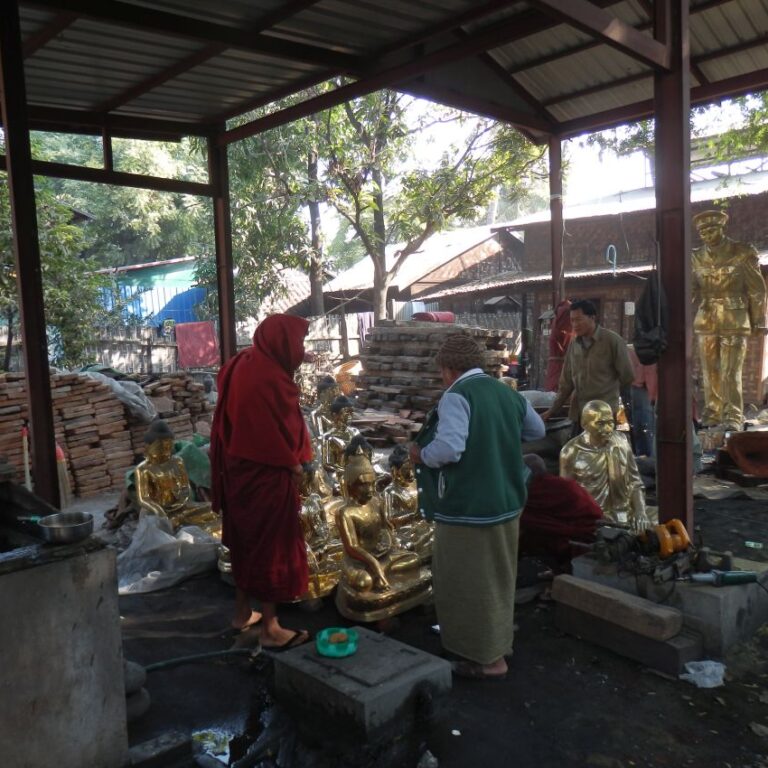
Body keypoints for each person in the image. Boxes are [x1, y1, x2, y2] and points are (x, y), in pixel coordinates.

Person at [410, 333, 530, 680]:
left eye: (441, 371)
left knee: (467, 581)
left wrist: (422, 454)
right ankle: (498, 643)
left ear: (449, 369)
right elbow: (535, 428)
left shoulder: (456, 395)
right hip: (507, 501)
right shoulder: (505, 391)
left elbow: (449, 448)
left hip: (469, 507)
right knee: (498, 576)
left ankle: (487, 659)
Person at [210, 314, 312, 650]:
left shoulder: (241, 363)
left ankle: (242, 613)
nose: (300, 349)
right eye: (298, 342)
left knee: (244, 541)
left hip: (235, 471)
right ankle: (270, 627)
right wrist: (294, 466)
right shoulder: (270, 378)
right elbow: (272, 434)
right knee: (272, 546)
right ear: (282, 341)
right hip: (265, 472)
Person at [692, 209, 767, 431]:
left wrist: (759, 320)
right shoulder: (695, 257)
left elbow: (757, 289)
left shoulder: (742, 252)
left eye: (711, 230)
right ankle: (712, 414)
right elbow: (691, 289)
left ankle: (732, 415)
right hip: (706, 318)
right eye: (703, 232)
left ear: (722, 228)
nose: (707, 235)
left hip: (734, 317)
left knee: (730, 371)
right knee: (709, 371)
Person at [559, 400, 651, 533]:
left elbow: (635, 483)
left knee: (666, 522)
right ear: (584, 424)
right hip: (594, 520)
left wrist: (640, 512)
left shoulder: (621, 442)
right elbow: (566, 497)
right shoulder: (571, 452)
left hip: (625, 513)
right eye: (600, 424)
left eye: (610, 423)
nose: (608, 429)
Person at [541, 299, 634, 430]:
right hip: (579, 413)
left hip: (603, 416)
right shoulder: (574, 345)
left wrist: (611, 395)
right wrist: (551, 411)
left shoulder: (612, 341)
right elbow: (566, 384)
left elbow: (627, 377)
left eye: (579, 320)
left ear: (592, 318)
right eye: (572, 320)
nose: (575, 325)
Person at [519, 454, 603, 570]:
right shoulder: (568, 485)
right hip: (595, 533)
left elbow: (521, 518)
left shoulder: (534, 491)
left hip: (579, 542)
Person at [627, 344, 658, 457]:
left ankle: (647, 455)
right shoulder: (632, 349)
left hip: (650, 383)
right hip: (640, 384)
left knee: (645, 424)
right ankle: (645, 455)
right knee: (642, 424)